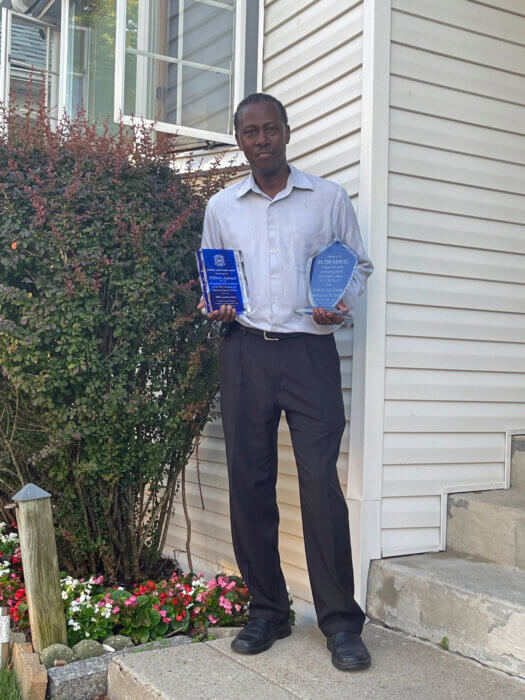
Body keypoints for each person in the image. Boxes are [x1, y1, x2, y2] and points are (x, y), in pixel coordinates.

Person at [197, 93, 374, 671]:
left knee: (321, 483)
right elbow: (214, 269)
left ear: (287, 132)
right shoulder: (222, 207)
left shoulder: (327, 199)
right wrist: (215, 304)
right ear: (240, 140)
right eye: (250, 132)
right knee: (250, 480)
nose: (262, 139)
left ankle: (341, 623)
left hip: (310, 356)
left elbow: (357, 265)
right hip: (245, 352)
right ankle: (268, 610)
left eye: (270, 129)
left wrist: (338, 304)